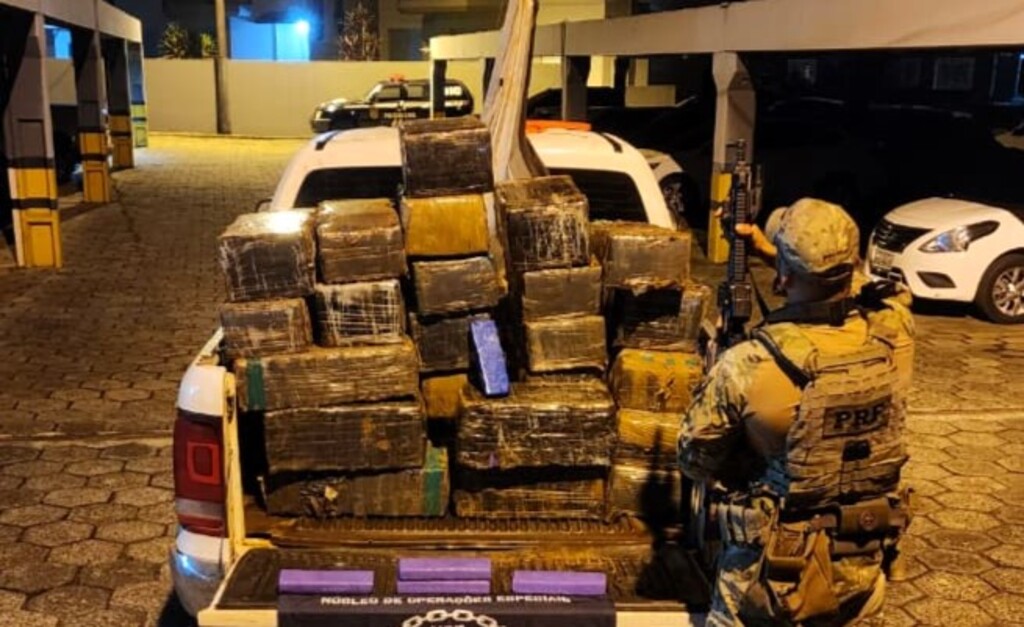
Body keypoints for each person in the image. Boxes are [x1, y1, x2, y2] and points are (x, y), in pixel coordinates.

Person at [680, 198, 914, 626]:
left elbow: (695, 460)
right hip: (859, 564)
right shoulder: (894, 332)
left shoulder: (747, 365)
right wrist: (770, 252)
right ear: (853, 264)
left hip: (767, 580)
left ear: (784, 278)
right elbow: (875, 290)